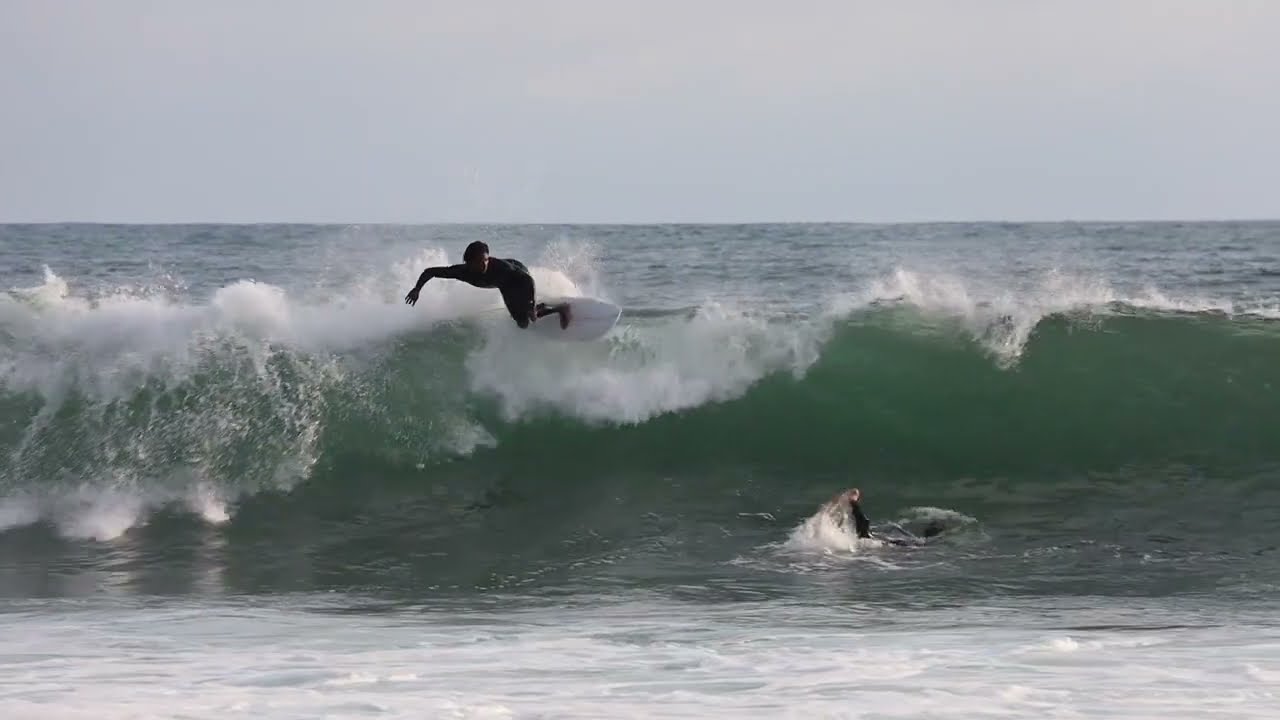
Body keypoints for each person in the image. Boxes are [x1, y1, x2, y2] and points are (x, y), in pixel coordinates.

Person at [403, 241, 570, 329]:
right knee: (522, 323)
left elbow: (528, 281)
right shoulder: (461, 271)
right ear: (468, 263)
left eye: (486, 260)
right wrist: (417, 289)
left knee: (529, 317)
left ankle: (560, 308)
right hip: (504, 283)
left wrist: (531, 304)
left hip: (517, 278)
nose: (484, 264)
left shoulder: (502, 269)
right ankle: (540, 309)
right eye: (479, 262)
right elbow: (430, 272)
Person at [829, 488, 943, 546]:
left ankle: (853, 502)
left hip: (882, 542)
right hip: (889, 544)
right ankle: (853, 502)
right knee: (921, 543)